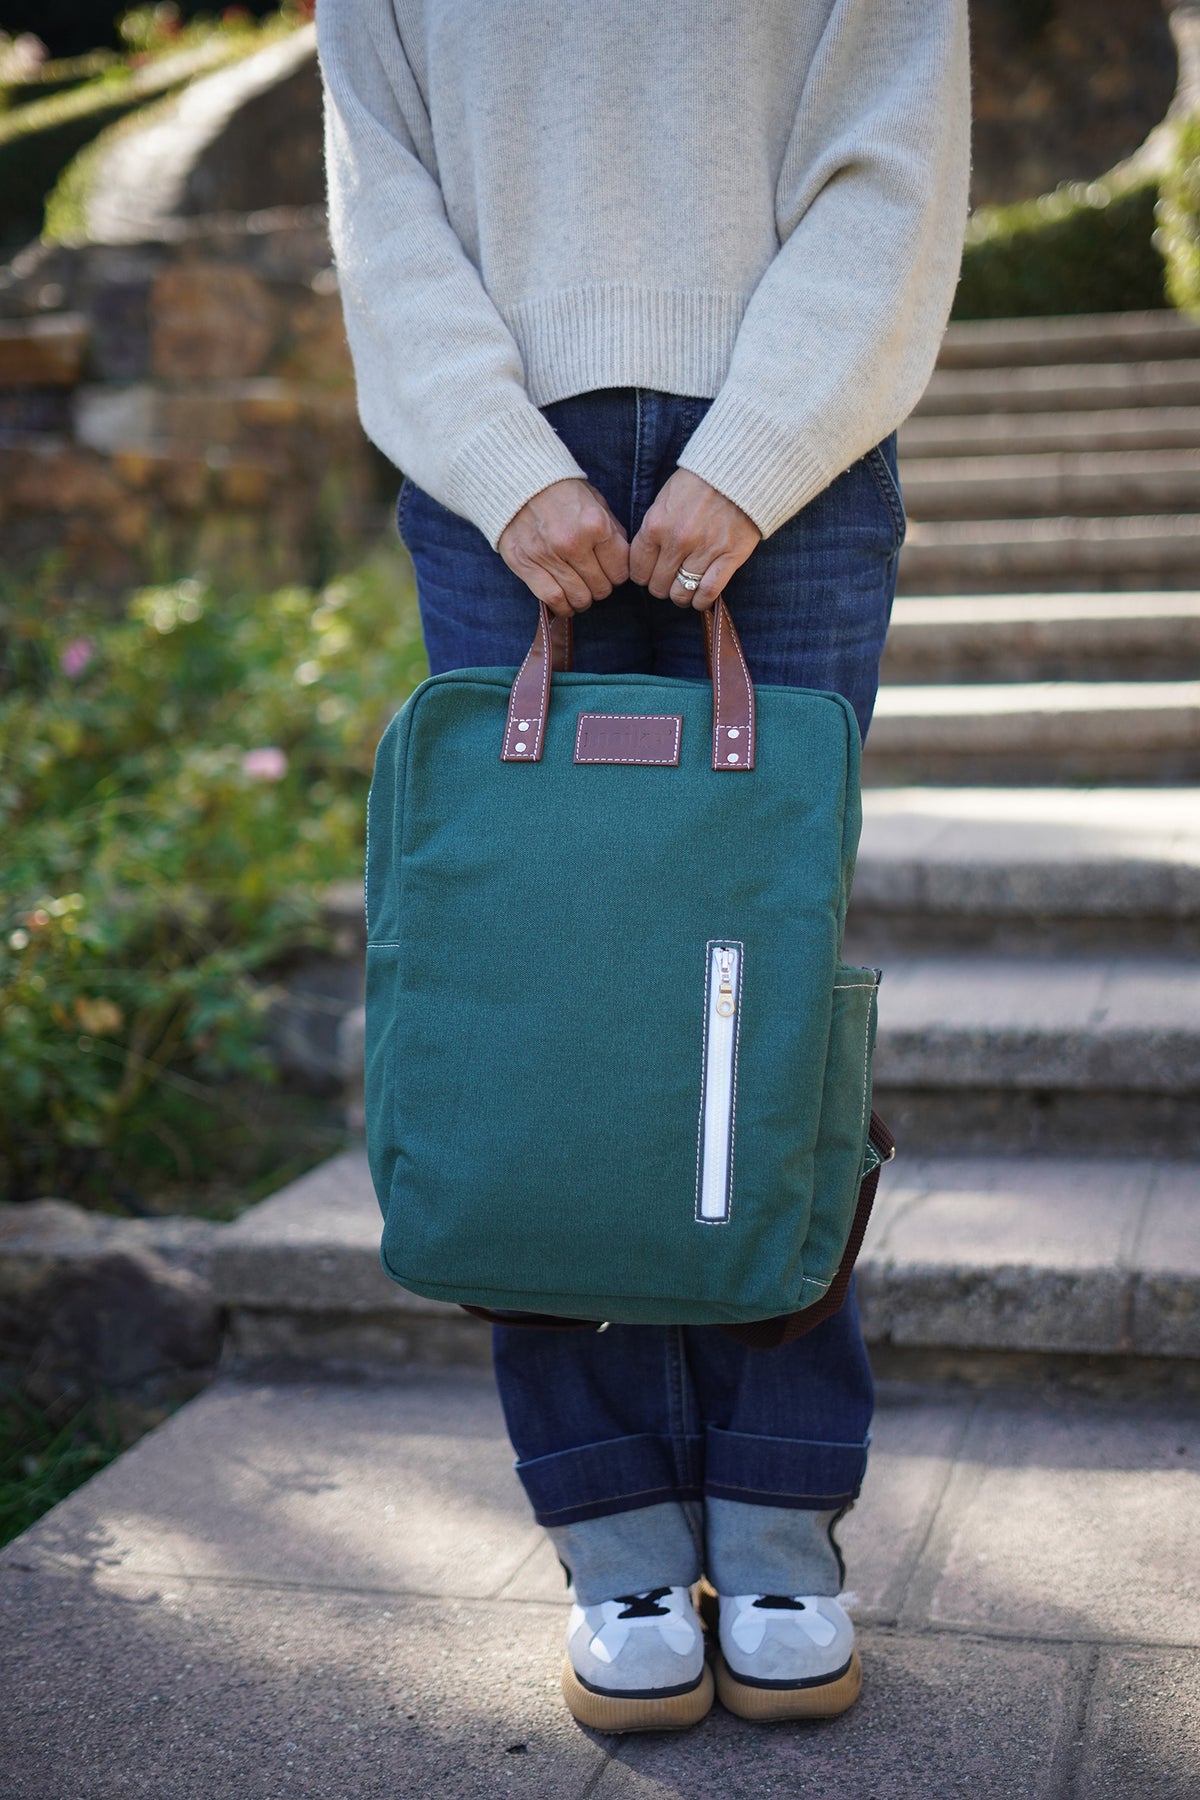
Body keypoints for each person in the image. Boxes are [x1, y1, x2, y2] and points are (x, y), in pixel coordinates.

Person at [318, 0, 969, 1734]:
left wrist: (753, 454)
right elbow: (381, 192)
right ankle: (609, 1525)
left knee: (764, 1017)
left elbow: (890, 169)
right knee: (538, 1004)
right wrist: (501, 464)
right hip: (493, 471)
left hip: (799, 465)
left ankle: (776, 1514)